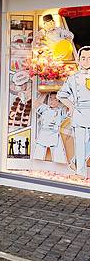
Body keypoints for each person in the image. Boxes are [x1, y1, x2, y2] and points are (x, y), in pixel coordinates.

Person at [57, 46, 90, 177]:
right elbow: (61, 95)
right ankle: (81, 173)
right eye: (83, 58)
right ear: (79, 60)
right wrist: (71, 106)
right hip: (80, 112)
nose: (86, 61)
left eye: (89, 58)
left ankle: (76, 161)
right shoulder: (73, 78)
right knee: (80, 143)